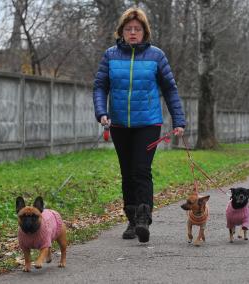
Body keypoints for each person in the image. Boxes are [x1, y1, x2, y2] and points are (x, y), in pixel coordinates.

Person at [93, 7, 186, 243]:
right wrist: (101, 112)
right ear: (121, 32)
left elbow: (170, 89)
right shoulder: (110, 55)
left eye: (137, 29)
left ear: (145, 32)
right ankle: (132, 220)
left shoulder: (157, 56)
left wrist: (179, 120)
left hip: (148, 123)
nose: (132, 33)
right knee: (127, 172)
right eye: (128, 29)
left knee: (141, 170)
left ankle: (144, 219)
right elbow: (100, 86)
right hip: (120, 124)